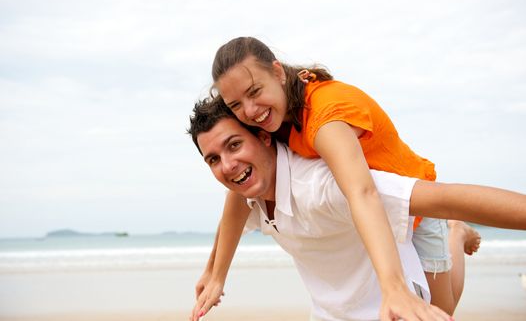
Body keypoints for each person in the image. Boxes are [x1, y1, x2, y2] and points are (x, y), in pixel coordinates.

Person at [197, 36, 526, 318]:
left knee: (444, 307)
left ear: (278, 72)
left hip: (416, 202)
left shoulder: (324, 121)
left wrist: (393, 286)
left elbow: (363, 193)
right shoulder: (272, 120)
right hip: (376, 215)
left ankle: (456, 234)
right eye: (236, 104)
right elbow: (240, 195)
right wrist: (215, 273)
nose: (251, 111)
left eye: (255, 92)